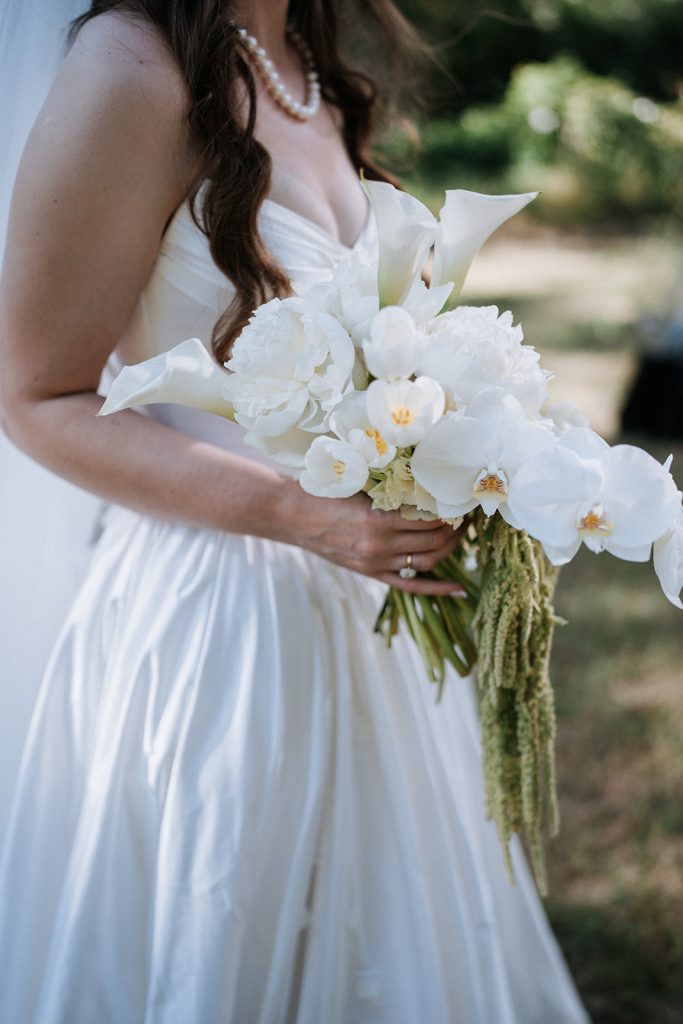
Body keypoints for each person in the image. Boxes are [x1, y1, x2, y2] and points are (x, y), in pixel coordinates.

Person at [0, 2, 591, 1020]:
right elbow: (35, 394)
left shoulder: (304, 65)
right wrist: (304, 515)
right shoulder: (130, 69)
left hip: (363, 613)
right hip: (220, 625)